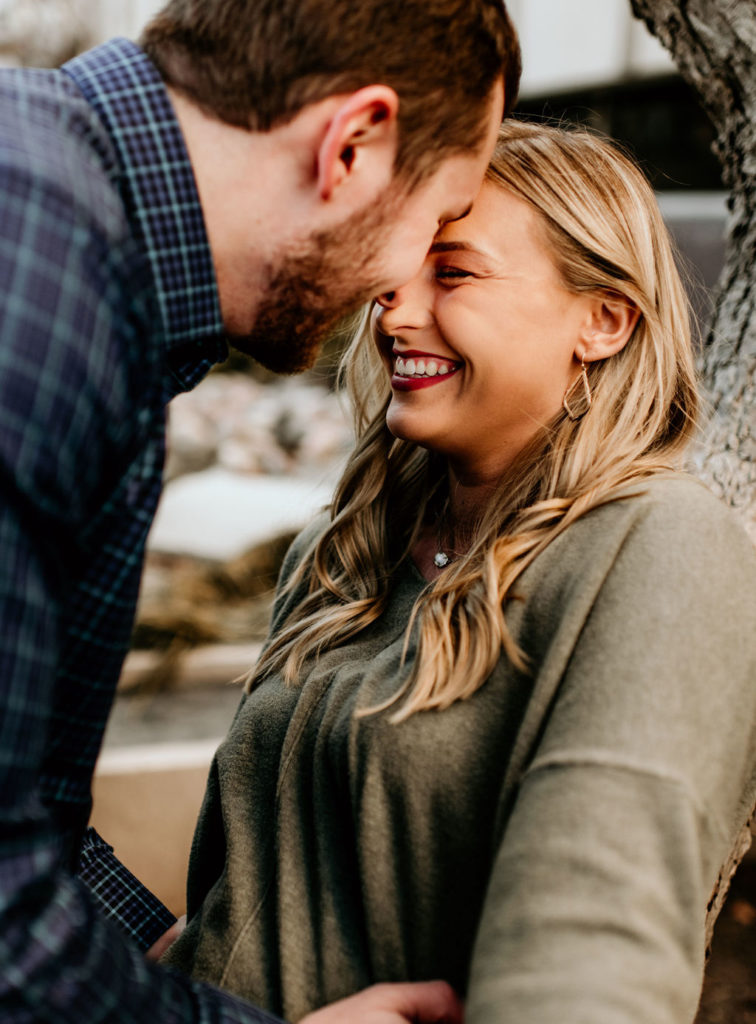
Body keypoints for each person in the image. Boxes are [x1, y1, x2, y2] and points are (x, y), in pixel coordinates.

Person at [161, 120, 756, 1024]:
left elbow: (596, 950)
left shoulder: (661, 546)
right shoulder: (335, 551)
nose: (392, 310)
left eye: (455, 271)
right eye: (394, 271)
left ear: (603, 319)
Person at [0, 0, 521, 1021]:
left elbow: (28, 831)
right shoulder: (41, 288)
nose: (391, 291)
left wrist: (176, 955)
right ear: (353, 143)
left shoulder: (68, 228)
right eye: (435, 218)